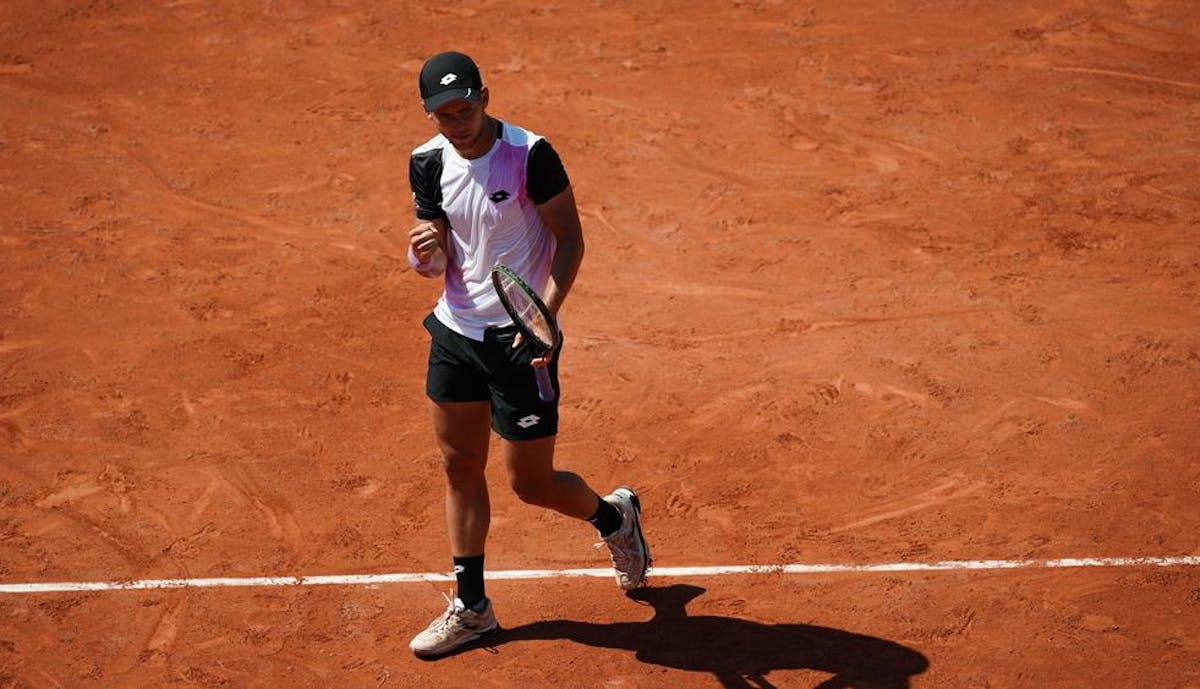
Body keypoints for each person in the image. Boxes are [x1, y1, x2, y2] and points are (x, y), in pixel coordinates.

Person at [405, 51, 651, 658]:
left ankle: (614, 519)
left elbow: (571, 240)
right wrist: (423, 253)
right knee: (459, 467)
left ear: (485, 96)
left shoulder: (529, 153)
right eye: (444, 114)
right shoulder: (426, 162)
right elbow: (436, 257)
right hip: (455, 331)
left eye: (465, 108)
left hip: (520, 340)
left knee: (531, 484)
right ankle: (473, 608)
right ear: (429, 115)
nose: (457, 123)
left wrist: (545, 316)